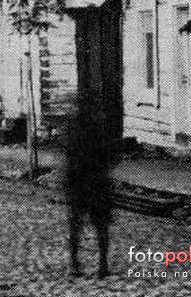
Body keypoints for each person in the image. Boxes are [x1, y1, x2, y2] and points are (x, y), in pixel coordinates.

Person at [64, 90, 114, 278]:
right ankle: (101, 264)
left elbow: (69, 156)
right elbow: (108, 155)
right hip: (94, 182)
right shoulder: (99, 128)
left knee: (78, 225)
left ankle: (76, 263)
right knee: (98, 225)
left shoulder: (74, 127)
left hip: (82, 182)